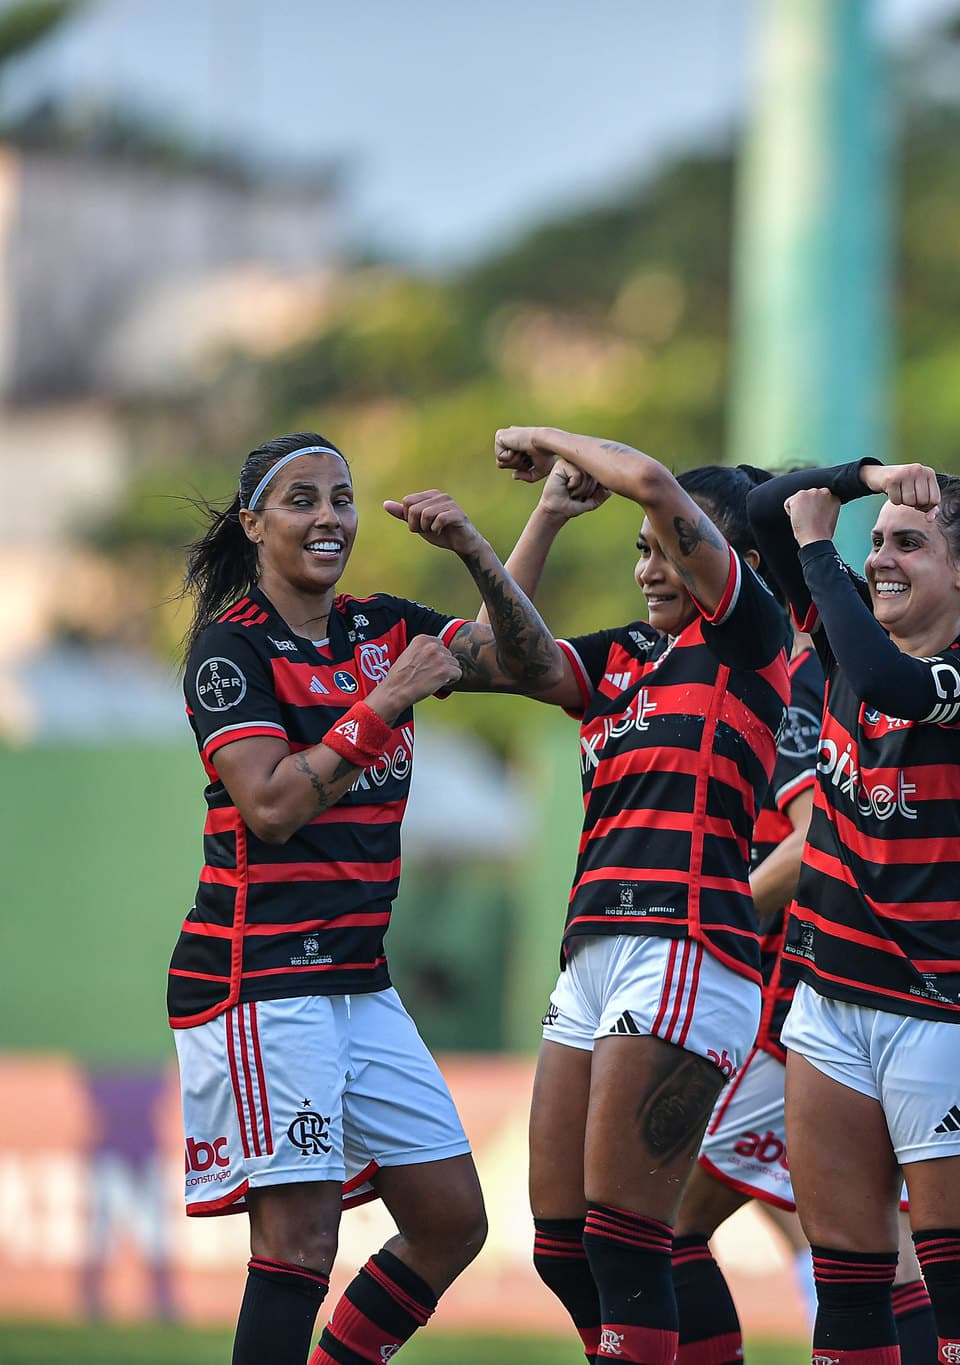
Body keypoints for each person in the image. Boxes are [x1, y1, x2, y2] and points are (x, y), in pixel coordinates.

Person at [173, 433, 564, 1365]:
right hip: (258, 978)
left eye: (342, 499)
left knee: (451, 1220)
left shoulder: (380, 625)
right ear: (254, 523)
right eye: (302, 499)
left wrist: (501, 536)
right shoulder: (229, 650)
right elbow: (269, 804)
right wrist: (388, 699)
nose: (329, 518)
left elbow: (519, 659)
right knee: (301, 1243)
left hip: (358, 982)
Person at [487, 427, 793, 1365]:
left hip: (690, 948)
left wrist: (545, 438)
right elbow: (491, 655)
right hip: (592, 952)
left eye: (668, 550)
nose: (651, 569)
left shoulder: (751, 638)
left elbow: (655, 482)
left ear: (718, 560)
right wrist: (532, 518)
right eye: (641, 551)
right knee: (562, 1244)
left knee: (627, 1240)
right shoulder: (619, 658)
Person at [747, 458, 960, 1365]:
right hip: (828, 999)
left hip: (944, 1004)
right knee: (849, 1278)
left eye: (909, 542)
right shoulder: (841, 643)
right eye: (876, 544)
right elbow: (761, 509)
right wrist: (865, 475)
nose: (880, 560)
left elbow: (888, 683)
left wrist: (823, 541)